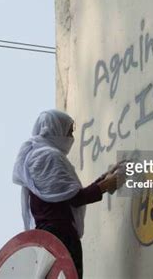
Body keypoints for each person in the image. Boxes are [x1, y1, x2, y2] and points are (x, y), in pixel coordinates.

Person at [12, 109, 124, 278]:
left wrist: (103, 179)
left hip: (48, 240)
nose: (71, 138)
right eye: (68, 132)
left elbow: (69, 195)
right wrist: (106, 185)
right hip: (60, 237)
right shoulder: (48, 157)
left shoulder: (39, 156)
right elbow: (77, 198)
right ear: (55, 129)